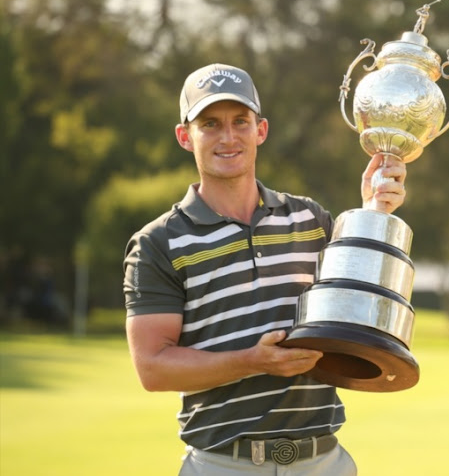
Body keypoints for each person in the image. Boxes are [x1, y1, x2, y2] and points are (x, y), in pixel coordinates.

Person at [123, 63, 407, 475]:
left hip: (323, 462)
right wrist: (253, 361)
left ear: (262, 130)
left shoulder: (310, 220)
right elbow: (152, 367)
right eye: (210, 124)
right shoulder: (158, 243)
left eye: (241, 121)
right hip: (224, 465)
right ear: (185, 136)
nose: (228, 137)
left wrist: (374, 211)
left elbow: (354, 306)